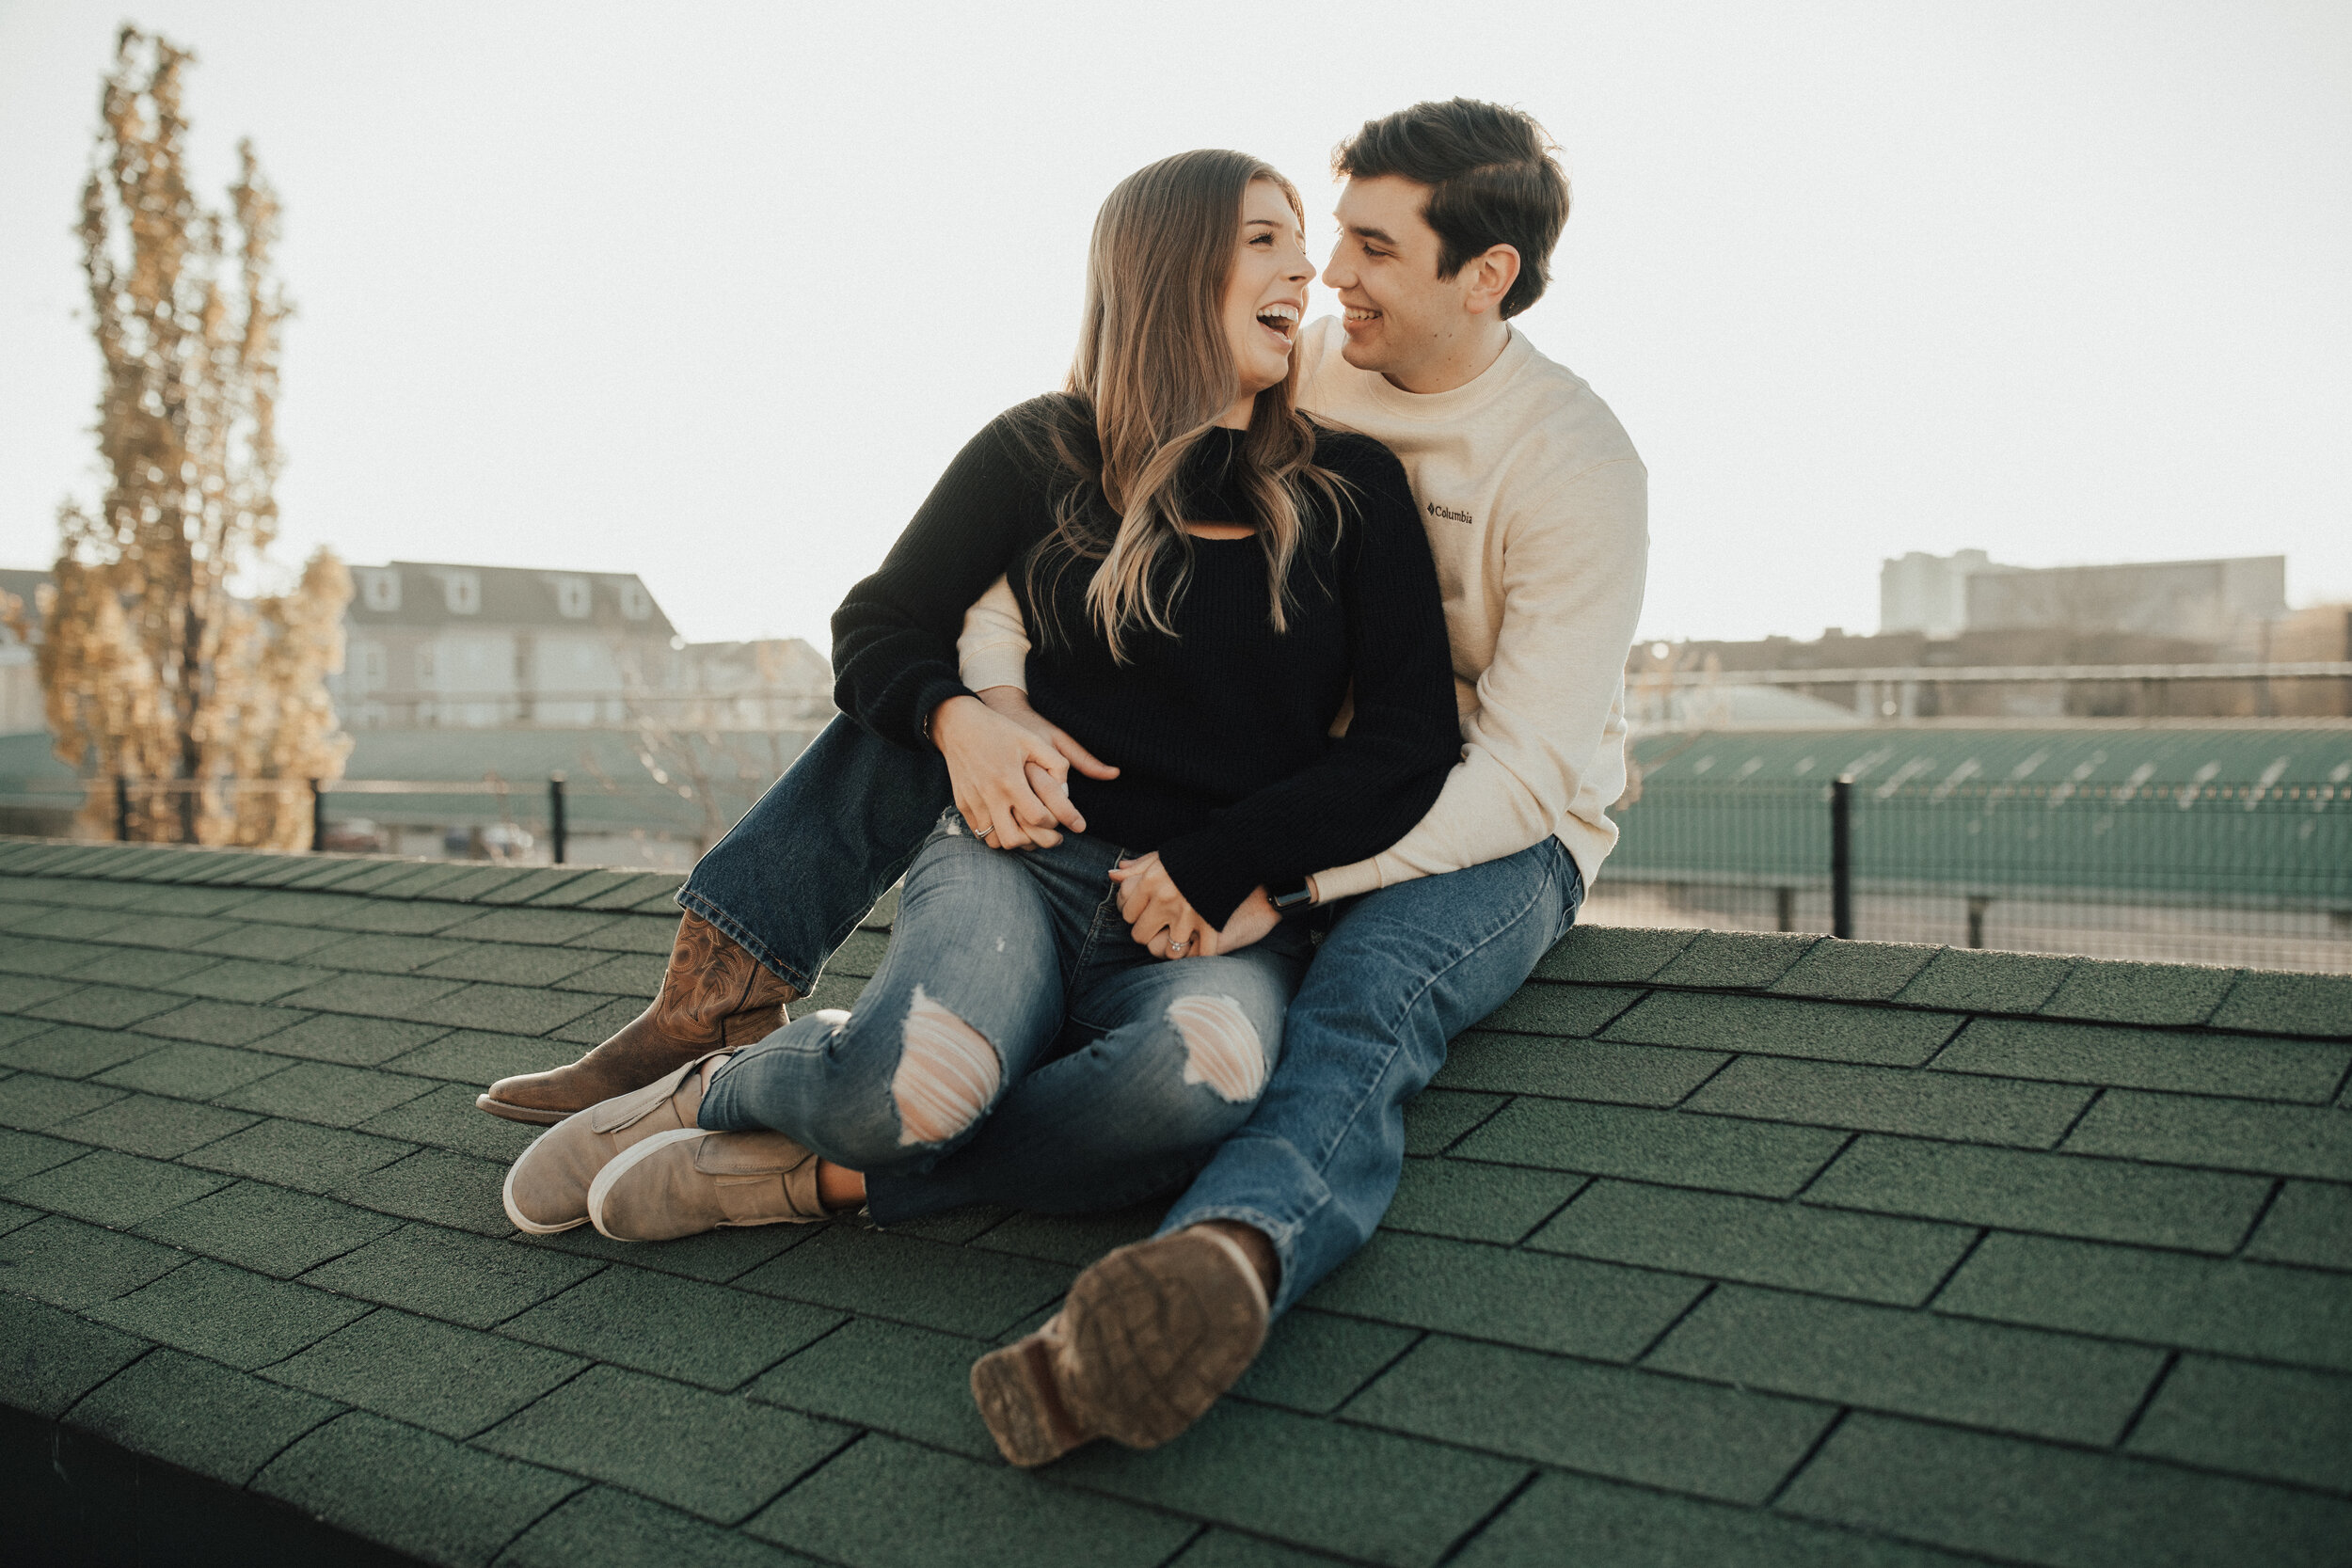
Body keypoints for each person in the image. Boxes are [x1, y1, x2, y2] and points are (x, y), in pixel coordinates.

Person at [484, 98, 1646, 1468]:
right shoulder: (1084, 433)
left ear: (1481, 273)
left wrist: (1253, 872)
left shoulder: (1442, 471)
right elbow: (903, 616)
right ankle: (730, 1041)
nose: (1325, 277)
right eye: (1288, 241)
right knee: (918, 1049)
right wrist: (974, 715)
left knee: (1218, 1078)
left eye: (1359, 247)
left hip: (1362, 846)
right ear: (1173, 275)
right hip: (1040, 857)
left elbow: (1448, 758)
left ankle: (823, 1164)